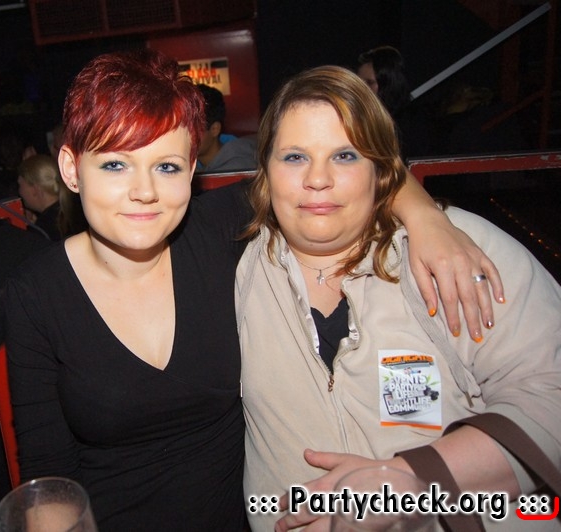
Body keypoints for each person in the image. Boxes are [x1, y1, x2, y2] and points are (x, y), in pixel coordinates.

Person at [4, 49, 502, 531]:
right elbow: (49, 479)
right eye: (115, 164)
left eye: (167, 166)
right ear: (70, 169)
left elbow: (343, 176)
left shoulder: (221, 230)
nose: (145, 191)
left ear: (192, 171)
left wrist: (427, 219)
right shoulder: (37, 293)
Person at [236, 65, 560, 531]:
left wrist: (413, 479)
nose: (318, 178)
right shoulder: (236, 268)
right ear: (265, 171)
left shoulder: (457, 252)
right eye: (294, 157)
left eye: (345, 155)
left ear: (381, 168)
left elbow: (550, 390)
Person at [357, 45, 433, 160]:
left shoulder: (412, 124)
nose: (361, 88)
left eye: (369, 82)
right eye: (359, 82)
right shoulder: (357, 117)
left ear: (388, 84)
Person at [195, 84, 258, 173]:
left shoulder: (240, 168)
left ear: (214, 129)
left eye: (192, 130)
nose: (183, 137)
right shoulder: (189, 167)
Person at [16, 154, 62, 241]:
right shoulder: (73, 210)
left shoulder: (42, 230)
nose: (19, 192)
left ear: (34, 189)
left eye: (20, 185)